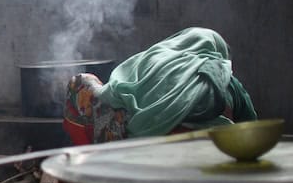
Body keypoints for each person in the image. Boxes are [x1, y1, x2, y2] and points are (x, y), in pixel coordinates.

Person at [63, 27, 258, 145]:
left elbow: (111, 93)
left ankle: (94, 161)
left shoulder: (155, 57)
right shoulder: (226, 77)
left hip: (138, 147)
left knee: (80, 84)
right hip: (214, 149)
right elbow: (253, 129)